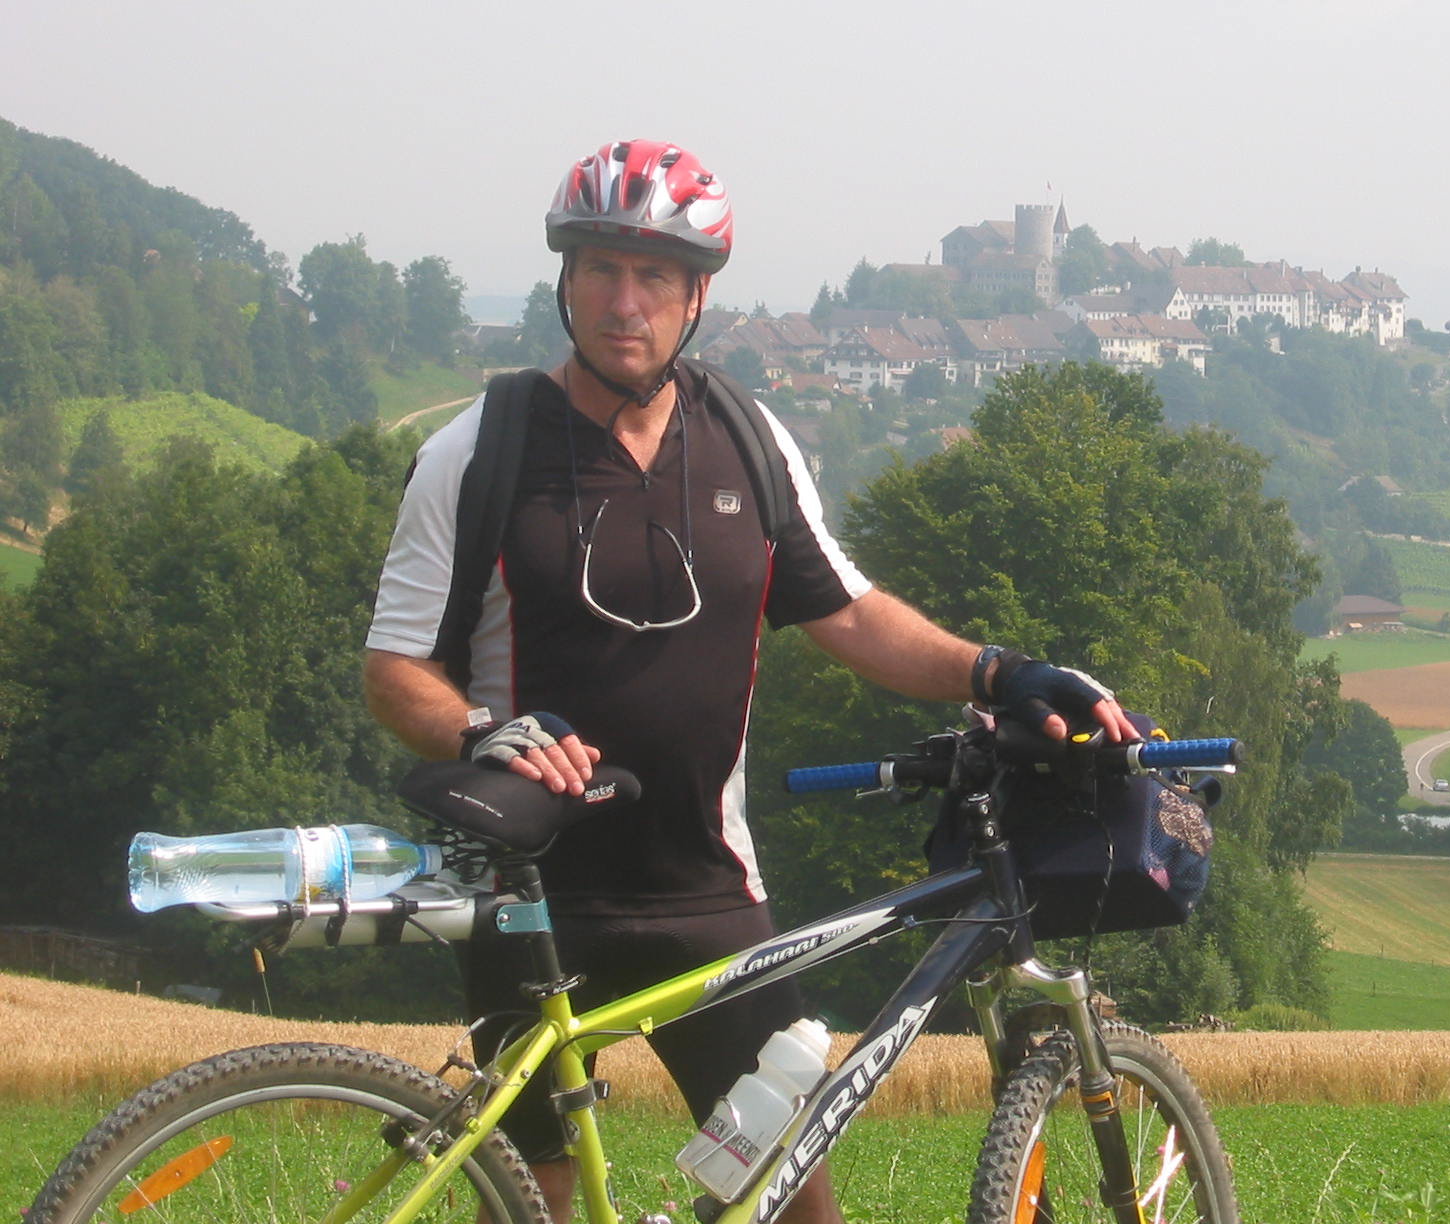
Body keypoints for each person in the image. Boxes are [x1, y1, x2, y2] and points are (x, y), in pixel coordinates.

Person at [364, 138, 1135, 1224]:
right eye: (600, 270)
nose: (622, 302)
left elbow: (851, 613)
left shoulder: (745, 438)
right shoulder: (477, 450)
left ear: (696, 297)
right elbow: (397, 668)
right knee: (526, 1204)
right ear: (564, 282)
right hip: (532, 891)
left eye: (655, 278)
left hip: (708, 893)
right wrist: (479, 732)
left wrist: (996, 670)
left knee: (789, 1201)